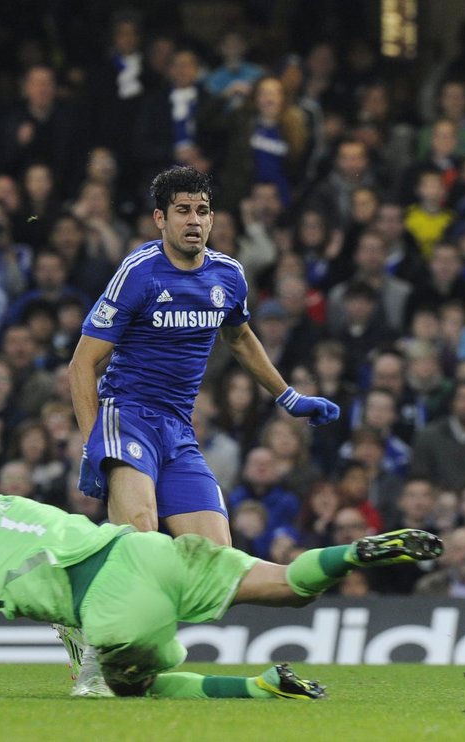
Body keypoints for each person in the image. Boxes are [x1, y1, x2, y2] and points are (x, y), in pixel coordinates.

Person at [0, 455, 440, 697]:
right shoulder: (13, 504)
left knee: (132, 691)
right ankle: (353, 554)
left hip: (115, 609)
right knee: (286, 584)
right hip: (153, 554)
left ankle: (258, 687)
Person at [64, 166, 338, 694]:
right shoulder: (139, 273)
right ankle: (95, 657)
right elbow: (82, 364)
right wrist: (93, 441)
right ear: (160, 219)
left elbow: (239, 338)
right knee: (142, 539)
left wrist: (289, 396)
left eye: (204, 210)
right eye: (184, 211)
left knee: (215, 567)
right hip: (128, 414)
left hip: (178, 431)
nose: (195, 221)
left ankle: (84, 610)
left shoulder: (228, 275)